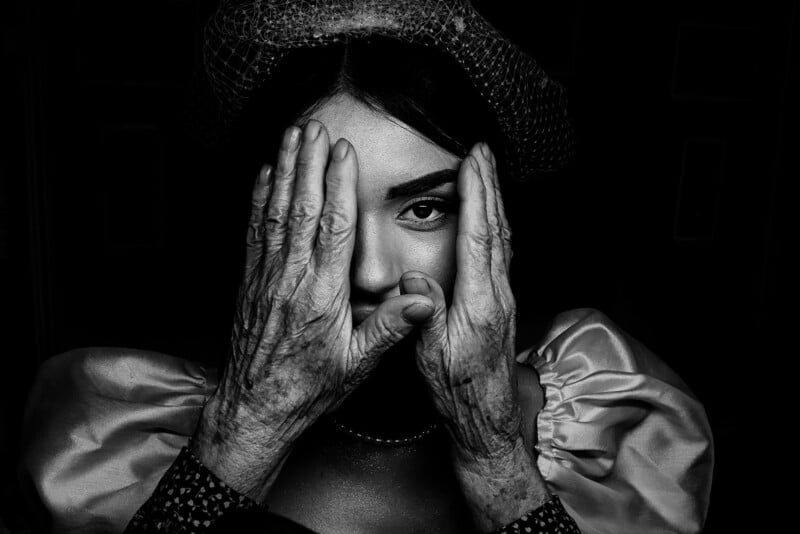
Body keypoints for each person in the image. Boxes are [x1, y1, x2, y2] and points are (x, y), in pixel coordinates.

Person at [20, 1, 713, 533]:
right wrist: (246, 434)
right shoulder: (115, 434)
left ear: (493, 222)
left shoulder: (607, 427)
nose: (373, 273)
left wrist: (497, 458)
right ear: (261, 223)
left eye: (424, 209)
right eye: (324, 214)